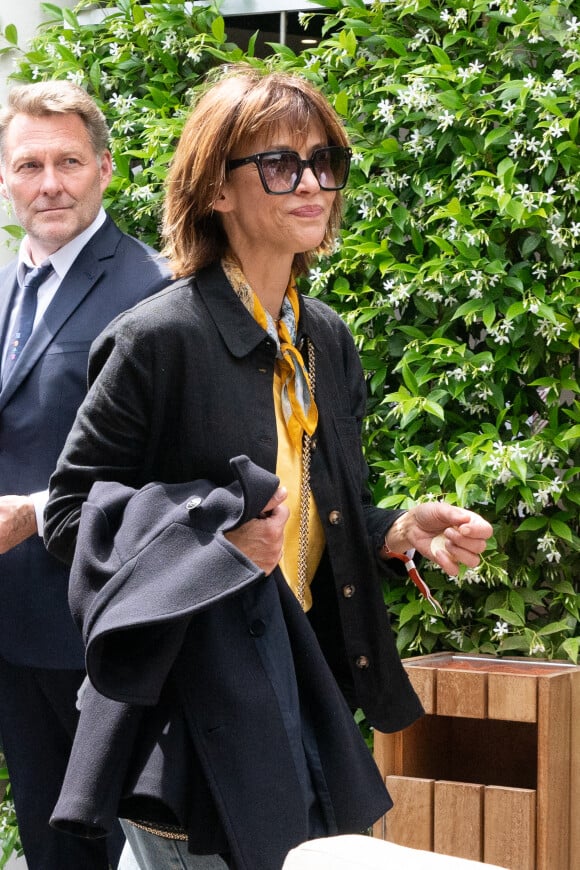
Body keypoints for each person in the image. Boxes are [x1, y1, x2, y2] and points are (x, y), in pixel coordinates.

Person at [43, 66, 493, 870]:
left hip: (309, 696)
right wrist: (214, 548)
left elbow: (316, 505)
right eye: (281, 165)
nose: (313, 183)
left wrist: (395, 531)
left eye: (326, 162)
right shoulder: (158, 339)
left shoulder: (324, 336)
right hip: (196, 717)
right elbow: (72, 513)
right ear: (216, 188)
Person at [0, 80, 171, 870]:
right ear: (5, 177)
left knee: (99, 847)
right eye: (28, 164)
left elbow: (172, 471)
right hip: (7, 631)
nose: (49, 183)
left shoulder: (154, 290)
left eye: (68, 161)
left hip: (90, 628)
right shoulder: (2, 283)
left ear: (106, 168)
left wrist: (38, 509)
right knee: (43, 845)